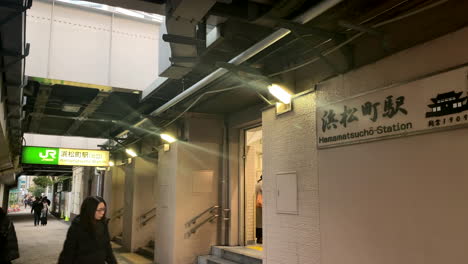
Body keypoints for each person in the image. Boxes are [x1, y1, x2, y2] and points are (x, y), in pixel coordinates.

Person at [58, 196, 117, 264]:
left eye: (104, 209)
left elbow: (107, 248)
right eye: (99, 210)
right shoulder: (77, 227)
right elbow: (67, 253)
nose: (102, 212)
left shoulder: (103, 224)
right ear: (90, 210)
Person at [255, 175, 263, 244]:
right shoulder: (262, 184)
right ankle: (260, 239)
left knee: (259, 223)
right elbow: (259, 200)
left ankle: (259, 239)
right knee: (261, 223)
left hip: (257, 208)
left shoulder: (258, 183)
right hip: (260, 207)